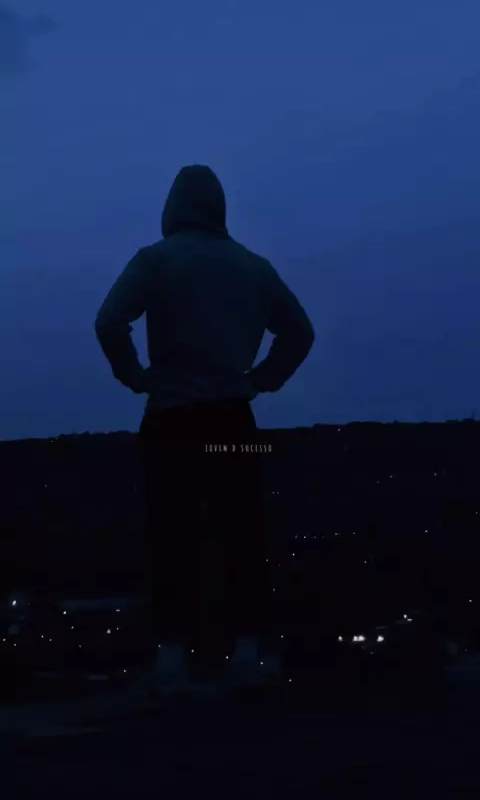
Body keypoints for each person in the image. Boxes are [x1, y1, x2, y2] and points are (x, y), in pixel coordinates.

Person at [94, 164, 315, 698]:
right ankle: (248, 653)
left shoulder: (157, 259)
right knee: (242, 532)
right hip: (232, 419)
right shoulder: (253, 267)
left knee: (171, 535)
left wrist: (134, 377)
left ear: (173, 206)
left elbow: (109, 321)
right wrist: (262, 380)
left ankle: (172, 660)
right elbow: (300, 331)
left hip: (172, 419)